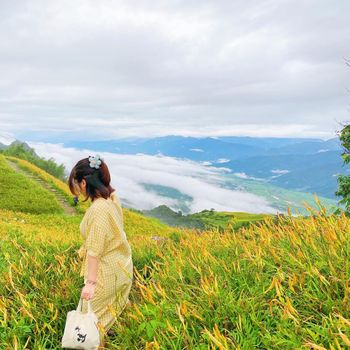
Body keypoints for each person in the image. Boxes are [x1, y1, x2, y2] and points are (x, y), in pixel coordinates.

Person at [68, 154, 133, 349]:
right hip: (122, 267)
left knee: (87, 327)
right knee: (110, 314)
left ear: (85, 182)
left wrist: (90, 284)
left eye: (77, 183)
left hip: (105, 274)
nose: (77, 188)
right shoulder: (112, 198)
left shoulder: (98, 210)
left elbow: (94, 251)